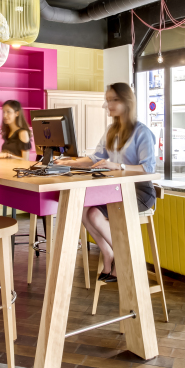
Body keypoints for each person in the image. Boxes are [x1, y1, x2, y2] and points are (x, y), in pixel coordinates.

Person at [53, 83, 156, 282]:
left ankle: (125, 255)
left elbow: (149, 168)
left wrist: (118, 166)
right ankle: (108, 253)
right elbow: (96, 158)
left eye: (114, 100)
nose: (109, 104)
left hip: (140, 193)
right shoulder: (111, 130)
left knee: (94, 213)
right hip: (117, 189)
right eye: (108, 100)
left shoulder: (142, 132)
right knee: (83, 209)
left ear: (127, 102)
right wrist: (68, 162)